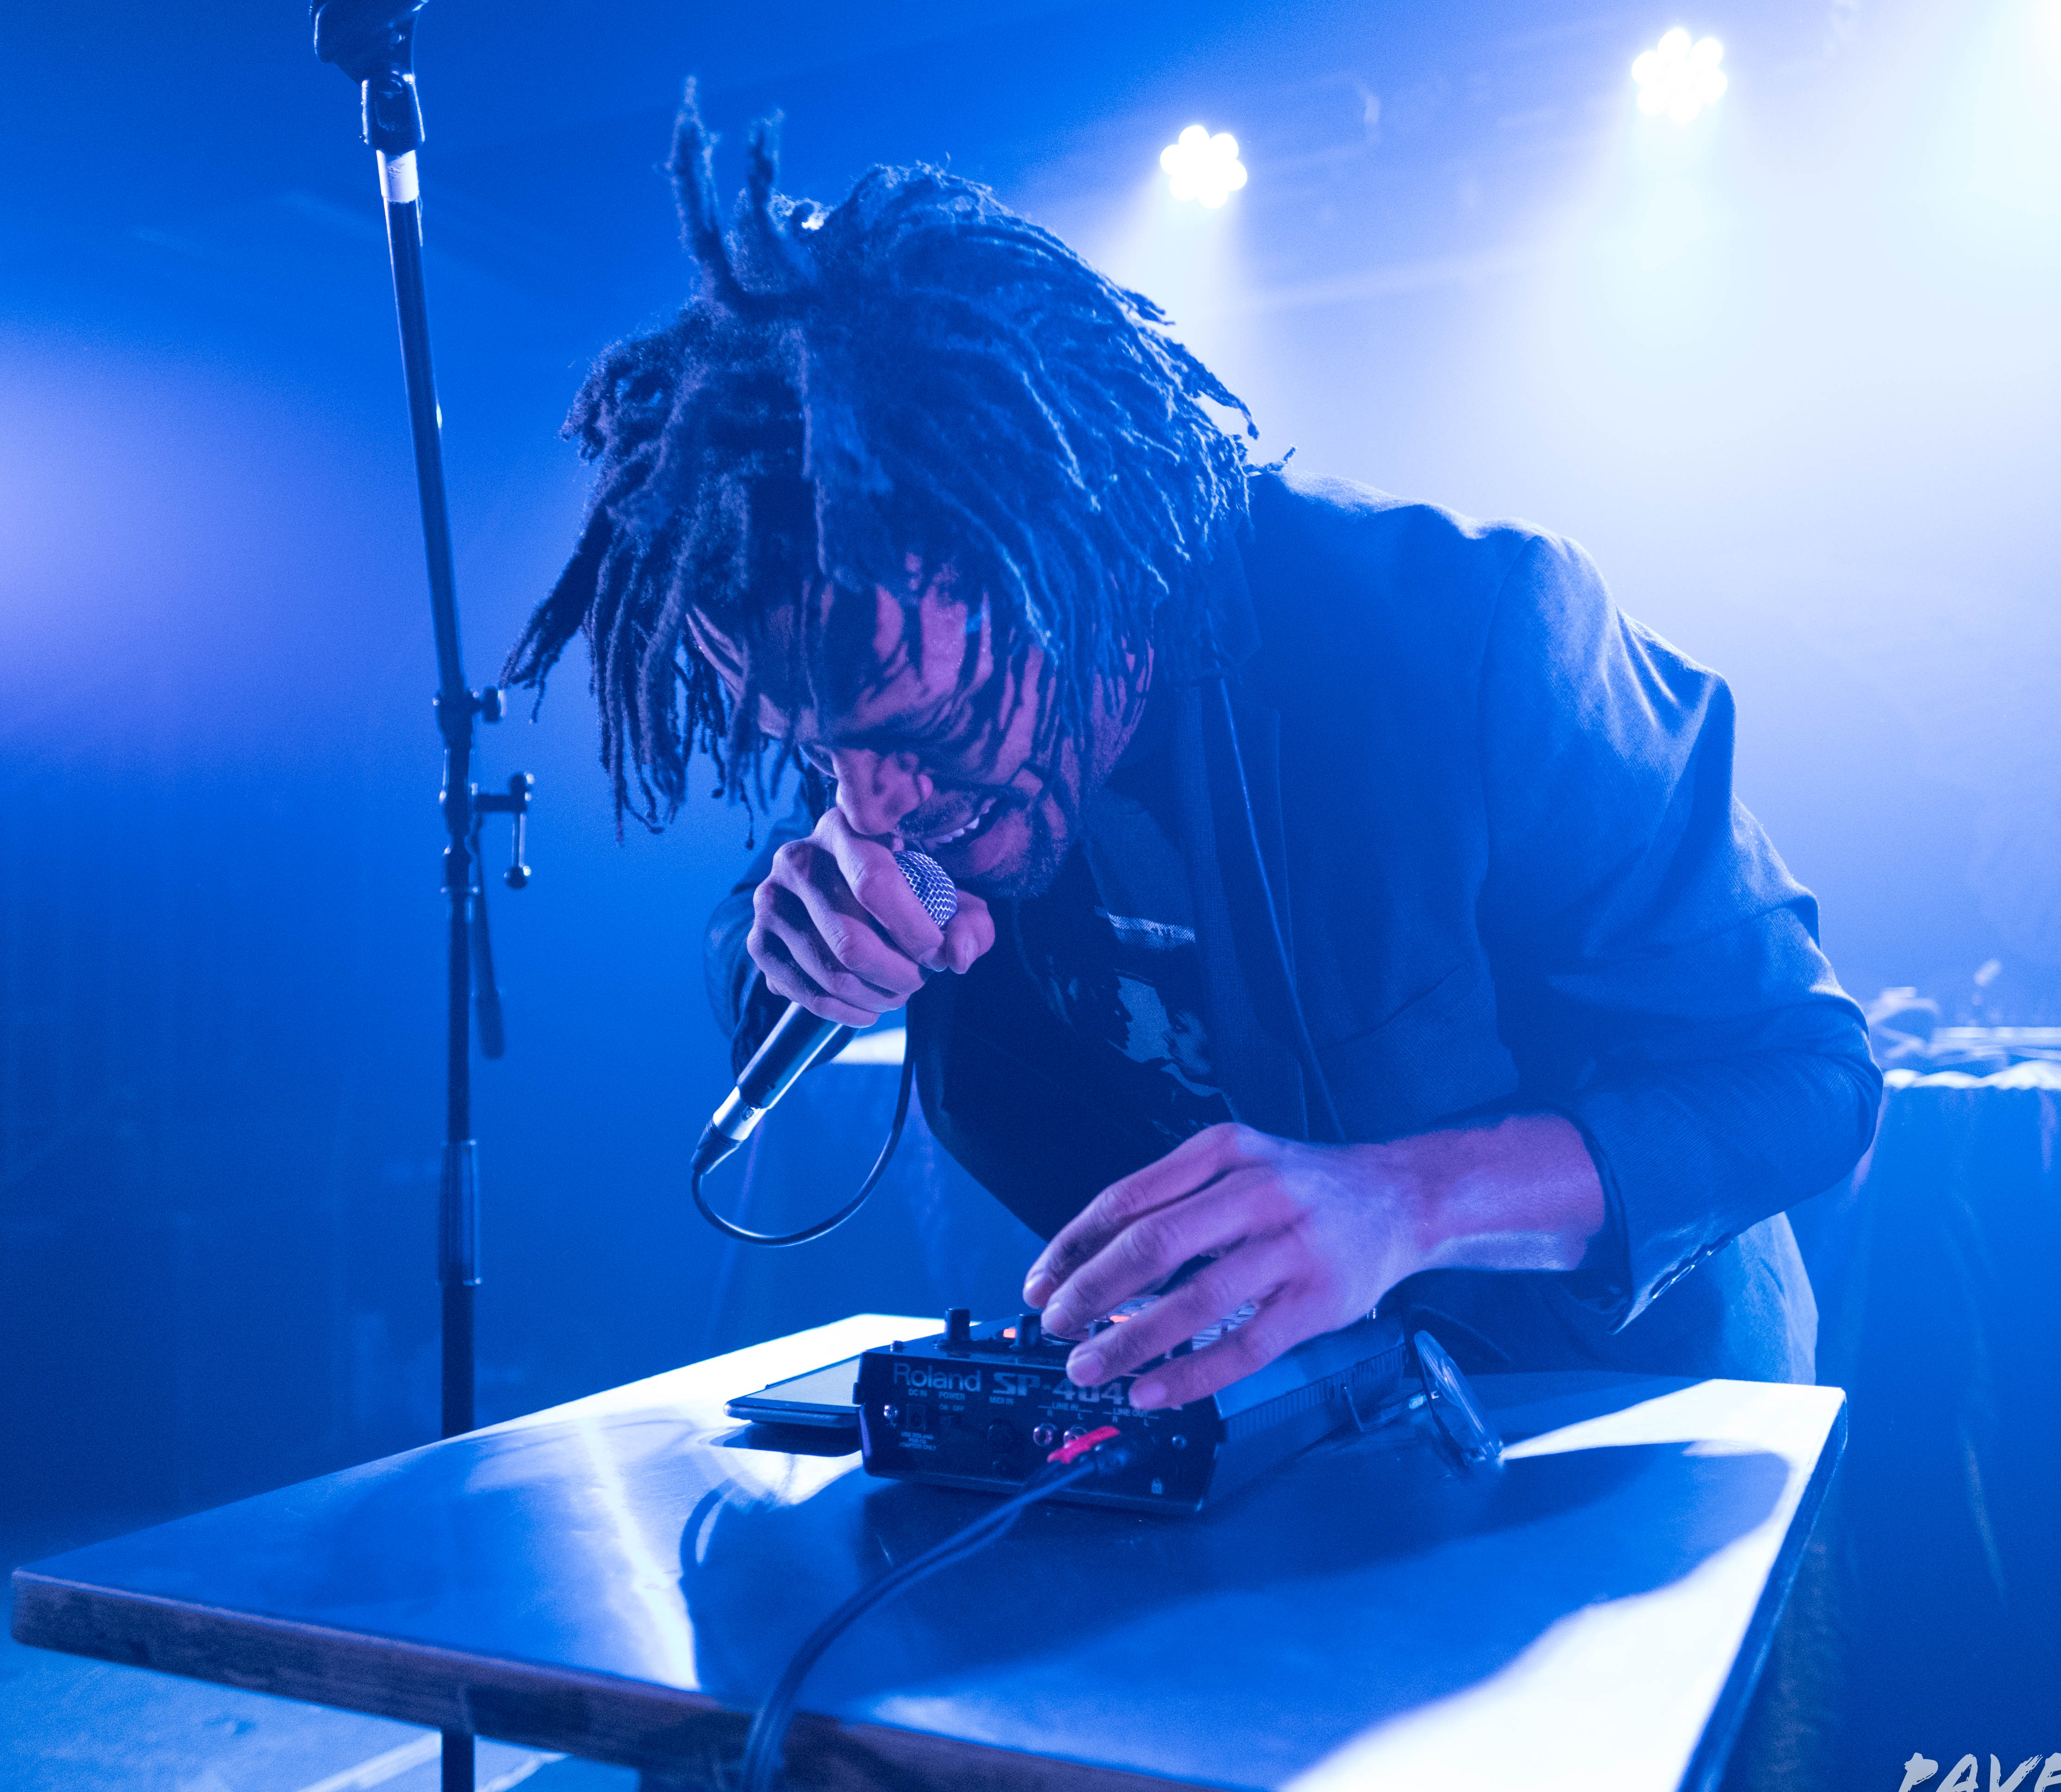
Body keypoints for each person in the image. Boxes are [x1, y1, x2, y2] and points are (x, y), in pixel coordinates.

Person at [509, 98, 1882, 1405]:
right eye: (815, 747)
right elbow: (780, 915)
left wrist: (1403, 1203)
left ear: (1086, 580)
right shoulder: (900, 725)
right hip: (1286, 1429)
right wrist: (793, 944)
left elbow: (1807, 1080)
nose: (870, 807)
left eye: (922, 736)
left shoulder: (1468, 632)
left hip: (1620, 1418)